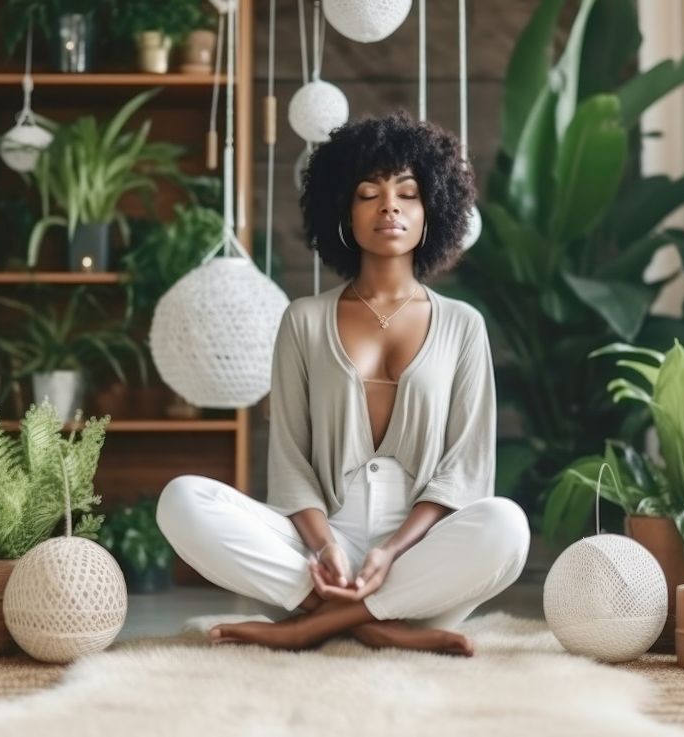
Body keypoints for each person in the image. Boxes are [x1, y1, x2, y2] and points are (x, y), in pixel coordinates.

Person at [156, 110, 530, 657]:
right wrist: (328, 545)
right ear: (342, 211)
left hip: (421, 560)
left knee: (506, 525)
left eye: (408, 193)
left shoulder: (462, 325)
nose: (389, 206)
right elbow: (289, 463)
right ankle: (369, 625)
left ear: (433, 211)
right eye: (367, 193)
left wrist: (390, 552)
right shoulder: (303, 321)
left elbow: (465, 471)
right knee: (180, 499)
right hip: (313, 559)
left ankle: (314, 627)